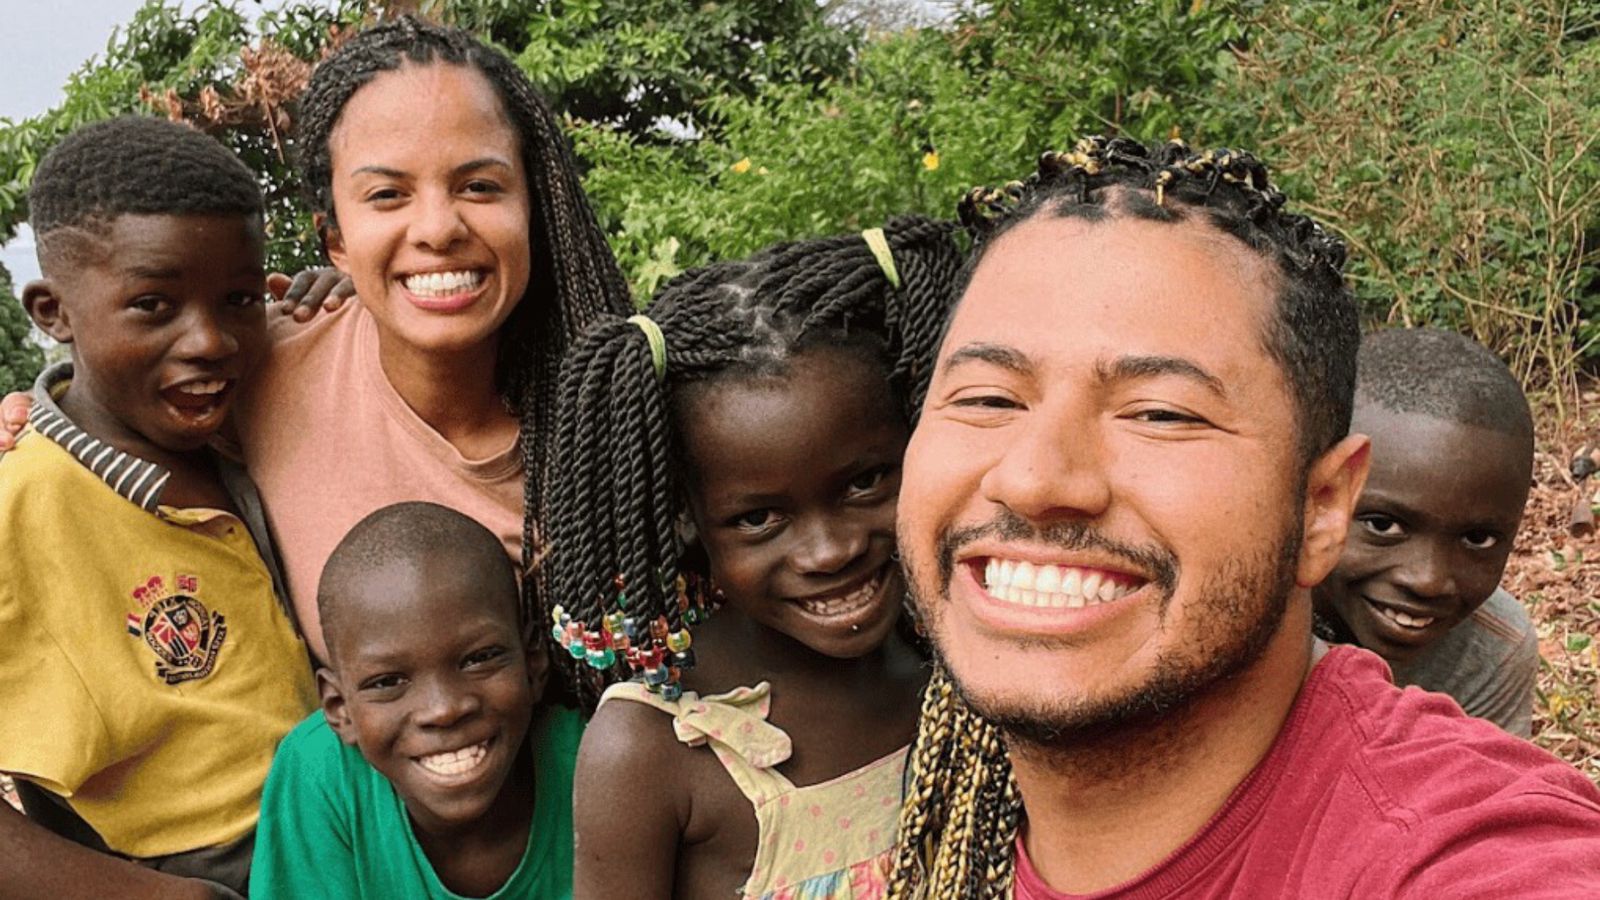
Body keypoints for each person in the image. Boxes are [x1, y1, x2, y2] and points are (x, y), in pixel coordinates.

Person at [886, 138, 1600, 899]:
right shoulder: (946, 824)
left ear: (1323, 508)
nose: (1033, 480)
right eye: (988, 398)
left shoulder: (1456, 852)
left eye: (1161, 413)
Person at [0, 16, 633, 665]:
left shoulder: (621, 419)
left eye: (479, 186)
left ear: (534, 207)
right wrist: (36, 415)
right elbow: (115, 396)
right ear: (335, 239)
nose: (438, 228)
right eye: (387, 194)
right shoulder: (266, 365)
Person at [545, 218, 962, 898]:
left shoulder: (956, 658)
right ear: (684, 517)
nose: (831, 550)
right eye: (759, 518)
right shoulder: (653, 747)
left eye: (865, 482)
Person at [0, 116, 316, 899]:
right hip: (205, 868)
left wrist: (338, 302)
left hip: (342, 828)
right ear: (53, 312)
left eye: (239, 298)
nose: (211, 340)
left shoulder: (250, 430)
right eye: (153, 304)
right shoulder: (23, 508)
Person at [249, 502, 579, 899]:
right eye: (388, 682)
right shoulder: (319, 773)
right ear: (339, 708)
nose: (444, 709)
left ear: (533, 663)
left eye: (479, 659)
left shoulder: (588, 764)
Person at [1315, 327, 1538, 736]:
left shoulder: (1489, 650)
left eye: (1478, 539)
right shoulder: (1238, 609)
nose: (1428, 580)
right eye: (1383, 525)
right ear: (1317, 497)